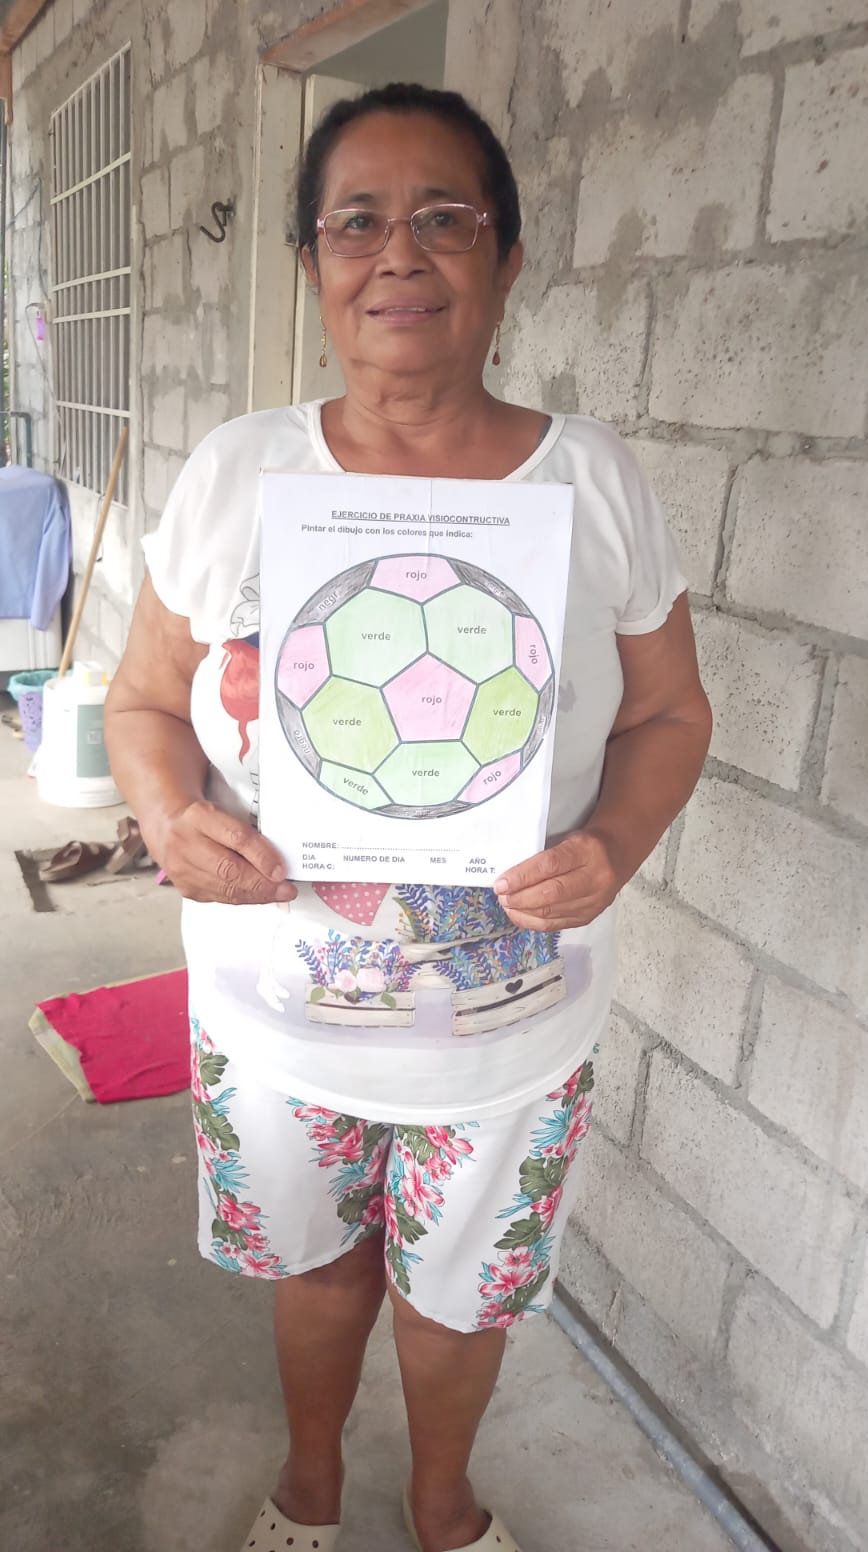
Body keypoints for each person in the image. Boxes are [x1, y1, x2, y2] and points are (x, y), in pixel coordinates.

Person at [106, 83, 712, 1552]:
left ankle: (443, 1502)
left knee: (460, 1303)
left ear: (508, 260)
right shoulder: (241, 473)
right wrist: (169, 815)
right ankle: (312, 1487)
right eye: (356, 221)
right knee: (319, 1279)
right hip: (280, 1016)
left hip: (508, 1024)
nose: (399, 253)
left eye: (446, 217)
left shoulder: (590, 482)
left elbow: (670, 716)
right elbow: (141, 703)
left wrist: (613, 847)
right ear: (314, 263)